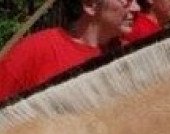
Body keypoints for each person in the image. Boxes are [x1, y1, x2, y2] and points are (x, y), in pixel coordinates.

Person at [0, 0, 140, 101]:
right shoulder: (35, 51)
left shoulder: (128, 56)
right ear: (90, 5)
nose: (136, 8)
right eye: (126, 1)